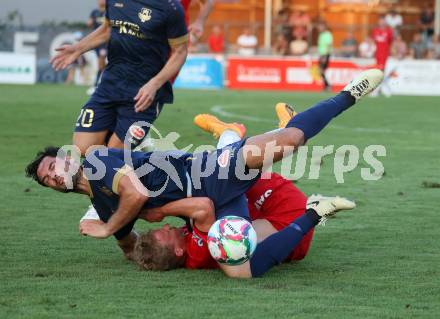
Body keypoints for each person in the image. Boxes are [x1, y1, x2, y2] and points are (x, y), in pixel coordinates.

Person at [25, 69, 384, 276]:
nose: (54, 175)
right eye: (47, 179)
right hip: (211, 206)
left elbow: (136, 194)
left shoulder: (100, 159)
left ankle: (348, 95)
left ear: (69, 157)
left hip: (210, 172)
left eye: (54, 165)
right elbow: (130, 246)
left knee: (289, 141)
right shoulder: (103, 207)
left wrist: (108, 227)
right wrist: (142, 254)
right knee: (240, 271)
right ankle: (314, 213)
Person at [132, 110, 355, 274]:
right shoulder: (196, 253)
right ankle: (244, 133)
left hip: (259, 202)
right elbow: (203, 207)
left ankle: (237, 134)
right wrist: (159, 210)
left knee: (225, 169)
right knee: (243, 264)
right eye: (165, 233)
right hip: (283, 214)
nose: (167, 226)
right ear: (178, 252)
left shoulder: (184, 244)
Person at [51, 0, 189, 156]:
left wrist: (154, 84)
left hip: (143, 94)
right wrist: (78, 48)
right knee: (82, 148)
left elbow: (180, 52)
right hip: (110, 84)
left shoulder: (170, 8)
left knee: (113, 157)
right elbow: (107, 29)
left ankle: (142, 160)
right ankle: (136, 154)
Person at [87, 0, 107, 95]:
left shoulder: (109, 11)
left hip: (106, 41)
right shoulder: (95, 12)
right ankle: (98, 85)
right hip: (97, 42)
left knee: (102, 63)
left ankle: (96, 85)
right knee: (101, 65)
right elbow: (89, 23)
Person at [317, 22, 333, 91]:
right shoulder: (321, 34)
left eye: (321, 27)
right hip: (321, 55)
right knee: (321, 71)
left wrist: (325, 56)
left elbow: (329, 45)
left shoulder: (327, 34)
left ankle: (328, 85)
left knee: (321, 70)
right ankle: (326, 85)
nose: (319, 28)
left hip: (325, 54)